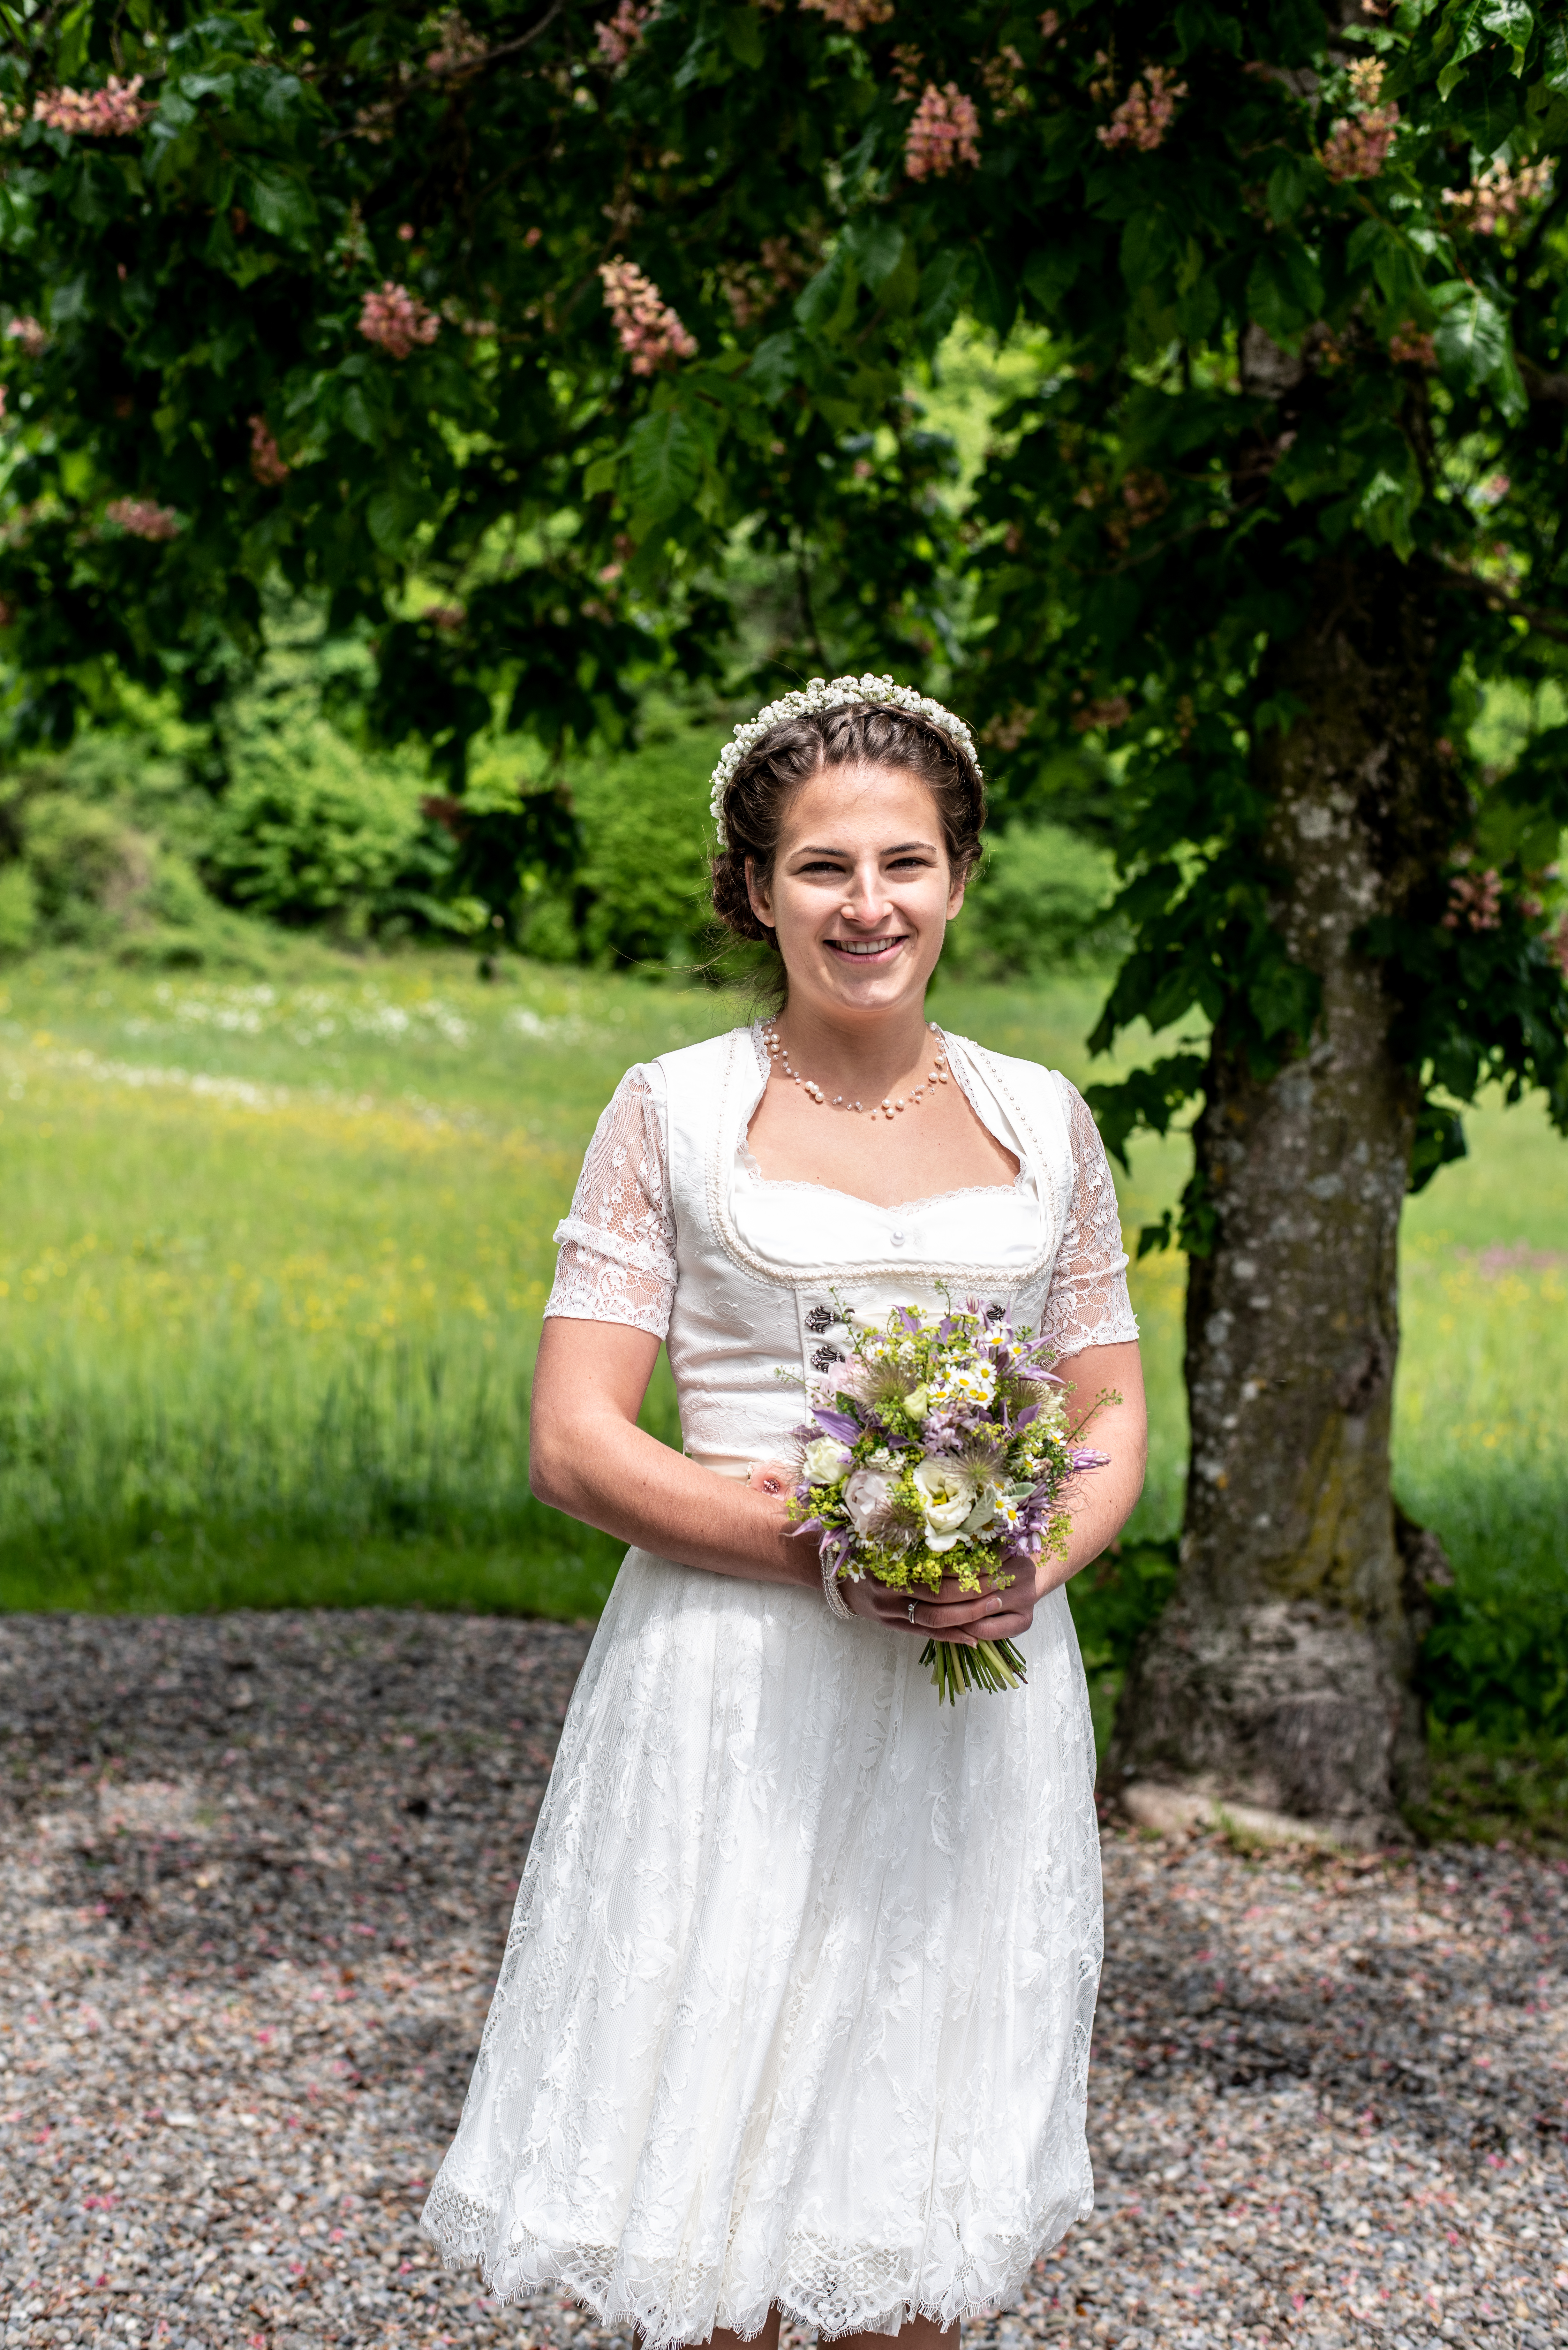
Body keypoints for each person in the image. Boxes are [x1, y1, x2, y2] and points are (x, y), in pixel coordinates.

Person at [420, 676, 1148, 2350]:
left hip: (983, 1702)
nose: (869, 905)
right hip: (734, 1690)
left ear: (961, 875)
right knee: (717, 2200)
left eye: (907, 862)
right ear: (757, 890)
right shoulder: (670, 1112)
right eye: (824, 868)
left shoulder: (1045, 1120)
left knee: (921, 2180)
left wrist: (1029, 1556)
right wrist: (834, 1549)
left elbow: (1107, 1408)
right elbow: (575, 1442)